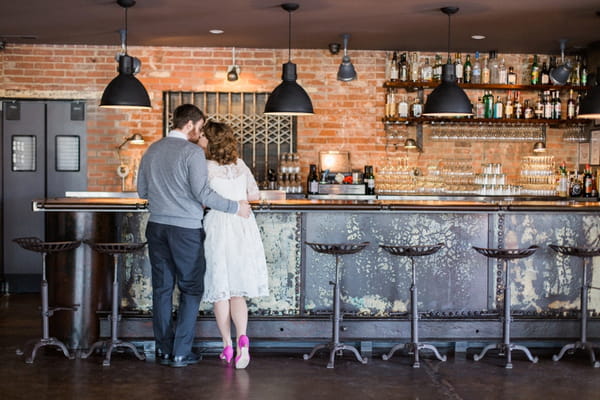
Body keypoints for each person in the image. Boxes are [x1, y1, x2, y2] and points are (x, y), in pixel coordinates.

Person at [137, 104, 251, 368]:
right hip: (186, 230)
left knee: (162, 290)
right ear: (189, 124)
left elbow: (142, 190)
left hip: (156, 227)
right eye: (200, 127)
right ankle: (180, 353)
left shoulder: (152, 149)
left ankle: (164, 351)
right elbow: (204, 195)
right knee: (191, 288)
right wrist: (236, 207)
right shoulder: (191, 153)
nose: (200, 132)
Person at [199, 121, 269, 369]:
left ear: (210, 141)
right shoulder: (240, 165)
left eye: (203, 136)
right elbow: (254, 195)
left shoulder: (205, 167)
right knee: (237, 289)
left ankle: (226, 345)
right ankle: (244, 342)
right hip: (242, 225)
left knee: (221, 287)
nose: (200, 140)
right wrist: (237, 199)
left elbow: (202, 199)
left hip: (218, 225)